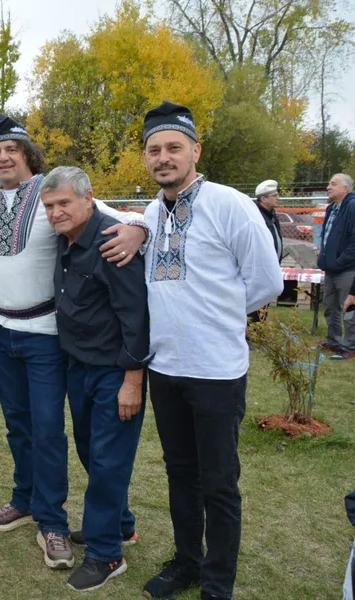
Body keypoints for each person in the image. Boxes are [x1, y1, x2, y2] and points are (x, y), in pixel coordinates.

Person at [0, 114, 149, 570]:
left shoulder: (53, 193)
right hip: (1, 331)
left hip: (47, 335)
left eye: (12, 149)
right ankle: (25, 498)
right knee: (18, 425)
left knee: (48, 429)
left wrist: (141, 228)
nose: (3, 157)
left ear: (28, 154)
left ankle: (52, 522)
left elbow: (118, 217)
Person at [140, 101, 283, 600]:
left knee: (219, 481)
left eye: (174, 147)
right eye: (154, 149)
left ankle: (218, 583)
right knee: (180, 473)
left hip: (217, 370)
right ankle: (187, 561)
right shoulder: (151, 213)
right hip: (165, 368)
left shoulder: (231, 204)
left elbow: (267, 281)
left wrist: (217, 316)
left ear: (195, 151)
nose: (164, 157)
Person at [43, 166, 150, 592]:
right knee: (92, 451)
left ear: (89, 199)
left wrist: (132, 381)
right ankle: (120, 524)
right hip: (79, 367)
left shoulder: (112, 242)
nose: (56, 212)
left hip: (114, 372)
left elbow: (136, 316)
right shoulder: (64, 240)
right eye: (50, 206)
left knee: (108, 461)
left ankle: (106, 553)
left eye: (64, 203)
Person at [317, 173, 355, 359]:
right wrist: (324, 259)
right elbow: (326, 236)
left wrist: (340, 261)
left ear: (345, 188)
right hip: (330, 268)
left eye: (333, 184)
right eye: (328, 184)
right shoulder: (331, 208)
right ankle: (333, 341)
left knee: (349, 307)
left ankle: (350, 347)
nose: (328, 187)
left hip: (347, 269)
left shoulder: (352, 206)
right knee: (330, 307)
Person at [248, 179, 284, 325]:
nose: (278, 198)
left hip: (271, 267)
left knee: (264, 304)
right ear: (263, 198)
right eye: (274, 195)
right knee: (256, 305)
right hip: (260, 269)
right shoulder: (256, 217)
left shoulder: (272, 215)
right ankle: (252, 331)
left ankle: (260, 330)